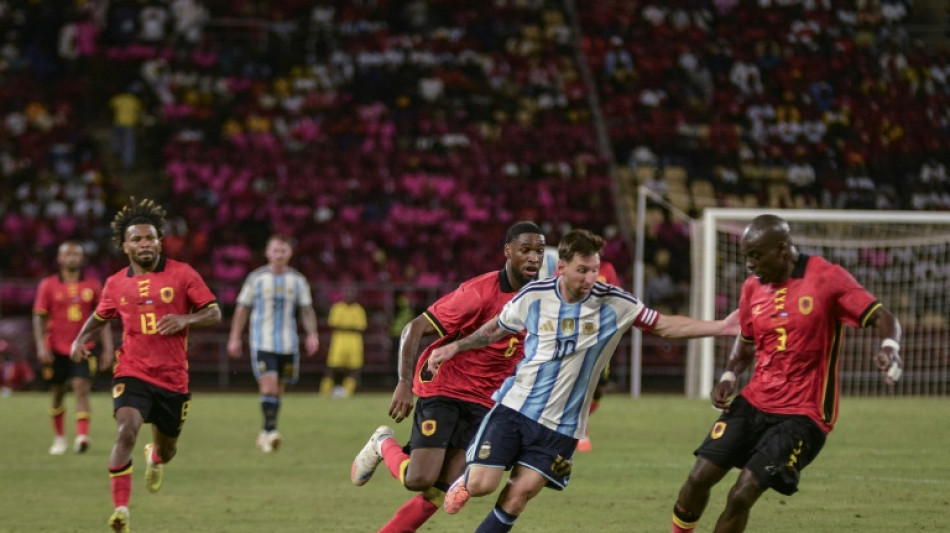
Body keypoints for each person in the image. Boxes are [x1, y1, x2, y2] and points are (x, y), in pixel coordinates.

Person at [426, 229, 739, 532]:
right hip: (515, 408)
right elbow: (496, 328)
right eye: (582, 270)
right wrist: (454, 347)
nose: (591, 278)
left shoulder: (615, 303)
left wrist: (722, 327)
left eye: (595, 270)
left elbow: (664, 325)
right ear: (561, 267)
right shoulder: (535, 296)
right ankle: (466, 483)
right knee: (483, 484)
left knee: (518, 495)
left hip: (563, 426)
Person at [668, 214, 903, 533]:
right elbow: (746, 341)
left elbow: (882, 316)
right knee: (697, 479)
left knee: (741, 495)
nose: (750, 265)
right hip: (754, 401)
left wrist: (890, 346)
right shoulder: (752, 287)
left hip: (802, 416)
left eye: (756, 255)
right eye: (746, 257)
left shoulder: (827, 279)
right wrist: (728, 376)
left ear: (782, 249)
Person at [350, 221, 546, 533]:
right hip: (445, 386)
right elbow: (413, 328)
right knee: (419, 479)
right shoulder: (478, 293)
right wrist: (403, 382)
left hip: (485, 400)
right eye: (526, 250)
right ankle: (382, 442)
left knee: (443, 489)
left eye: (539, 250)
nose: (534, 257)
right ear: (508, 251)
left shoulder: (541, 298)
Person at [69, 198, 222, 533]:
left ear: (159, 241)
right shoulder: (115, 283)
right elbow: (99, 317)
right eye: (137, 239)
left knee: (168, 451)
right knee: (126, 430)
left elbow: (214, 312)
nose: (145, 244)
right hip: (132, 371)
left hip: (173, 379)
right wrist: (80, 339)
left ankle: (155, 457)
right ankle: (121, 509)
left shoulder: (182, 274)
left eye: (150, 238)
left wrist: (184, 318)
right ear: (125, 246)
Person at [227, 234, 320, 452]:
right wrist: (234, 337)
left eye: (283, 251)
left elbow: (306, 309)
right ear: (268, 253)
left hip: (288, 343)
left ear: (290, 253)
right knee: (268, 385)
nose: (279, 255)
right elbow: (242, 308)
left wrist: (312, 334)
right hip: (263, 342)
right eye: (275, 250)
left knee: (278, 390)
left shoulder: (297, 280)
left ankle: (266, 431)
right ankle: (270, 432)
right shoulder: (256, 278)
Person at [33, 241, 114, 454]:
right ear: (59, 259)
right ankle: (59, 438)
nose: (71, 258)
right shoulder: (48, 285)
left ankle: (82, 437)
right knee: (58, 392)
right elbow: (39, 317)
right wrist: (42, 346)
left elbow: (102, 319)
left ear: (82, 259)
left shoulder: (93, 285)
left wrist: (108, 348)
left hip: (84, 348)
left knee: (81, 388)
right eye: (67, 254)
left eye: (75, 254)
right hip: (56, 348)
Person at [320, 286, 367, 398]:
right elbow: (333, 324)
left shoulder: (359, 309)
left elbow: (361, 327)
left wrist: (343, 326)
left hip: (354, 342)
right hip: (339, 341)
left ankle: (348, 392)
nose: (350, 295)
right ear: (344, 294)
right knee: (332, 367)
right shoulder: (337, 308)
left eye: (352, 292)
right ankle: (325, 391)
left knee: (354, 368)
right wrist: (350, 327)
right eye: (348, 292)